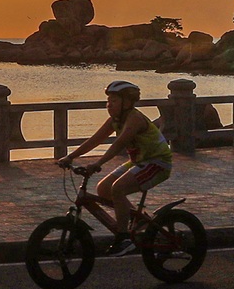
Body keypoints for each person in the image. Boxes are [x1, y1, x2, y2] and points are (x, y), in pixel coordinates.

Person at [58, 80, 175, 254]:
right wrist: (70, 156)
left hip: (157, 162)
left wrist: (98, 163)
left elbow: (119, 144)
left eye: (114, 101)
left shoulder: (134, 118)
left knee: (118, 188)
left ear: (127, 103)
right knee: (103, 188)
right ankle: (138, 219)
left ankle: (124, 238)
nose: (109, 105)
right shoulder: (115, 120)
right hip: (139, 162)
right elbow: (95, 139)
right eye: (108, 101)